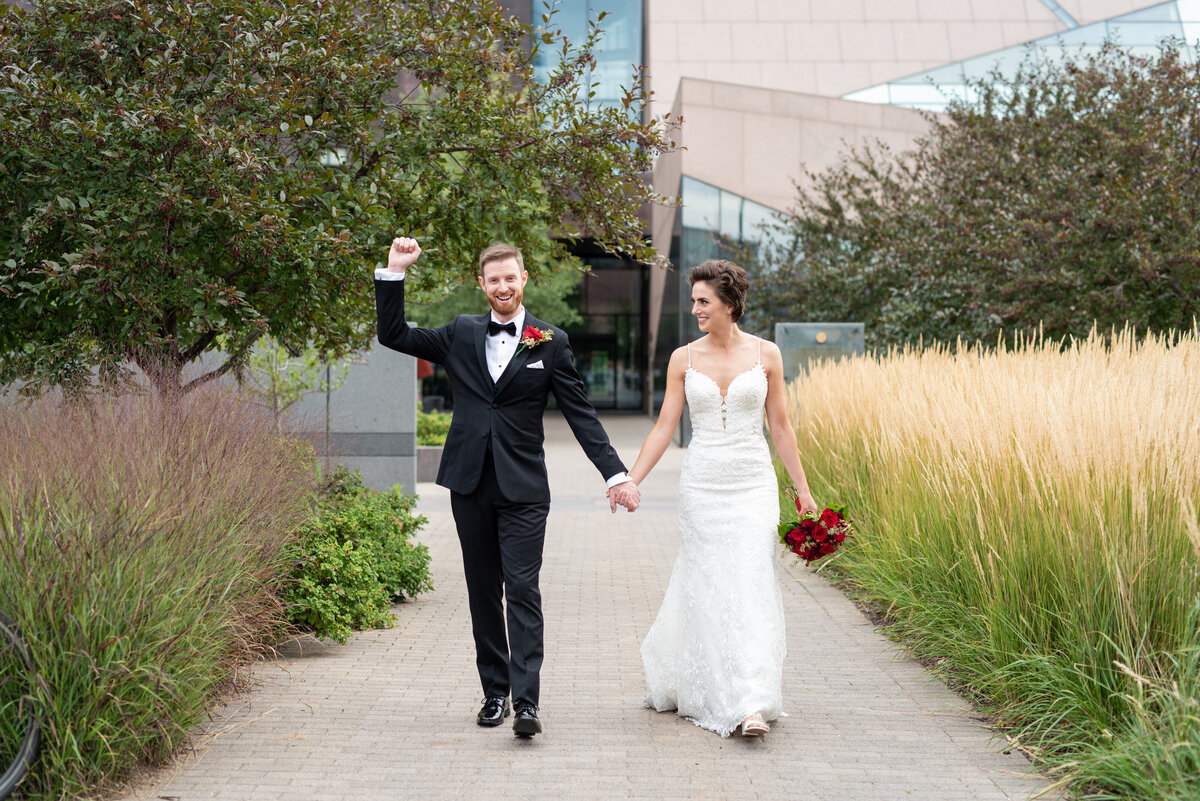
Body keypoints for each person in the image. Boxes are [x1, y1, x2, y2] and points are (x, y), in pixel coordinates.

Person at [374, 237, 641, 738]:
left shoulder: (551, 340)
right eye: (493, 279)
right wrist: (394, 272)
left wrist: (616, 474)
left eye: (510, 278)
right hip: (469, 483)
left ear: (524, 280)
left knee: (521, 589)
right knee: (481, 591)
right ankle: (494, 694)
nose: (503, 286)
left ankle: (527, 703)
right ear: (483, 285)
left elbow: (581, 416)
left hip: (524, 489)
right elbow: (393, 334)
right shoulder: (459, 333)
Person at [626, 258, 818, 738]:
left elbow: (780, 426)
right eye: (694, 301)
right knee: (710, 584)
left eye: (703, 301)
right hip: (703, 486)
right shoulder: (683, 359)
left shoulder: (767, 354)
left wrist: (803, 490)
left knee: (750, 581)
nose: (695, 310)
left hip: (753, 484)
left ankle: (751, 701)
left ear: (730, 304)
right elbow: (665, 426)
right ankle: (715, 690)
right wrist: (631, 479)